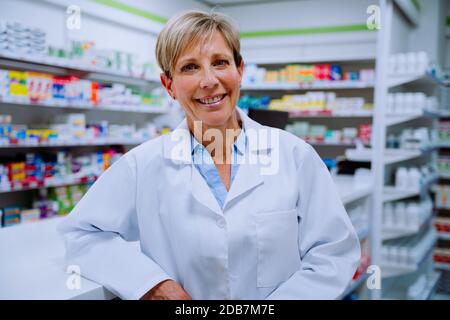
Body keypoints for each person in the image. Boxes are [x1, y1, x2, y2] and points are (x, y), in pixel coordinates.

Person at [58, 10, 360, 300]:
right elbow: (82, 234)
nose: (209, 81)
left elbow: (333, 252)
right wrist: (150, 283)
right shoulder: (143, 164)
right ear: (169, 85)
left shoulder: (295, 156)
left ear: (239, 71)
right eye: (190, 67)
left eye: (220, 62)